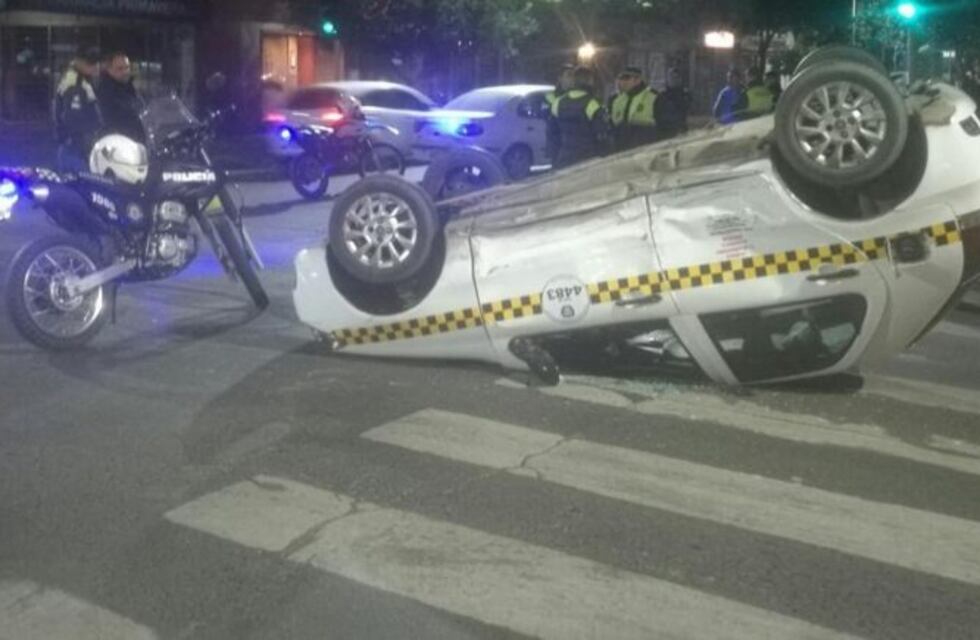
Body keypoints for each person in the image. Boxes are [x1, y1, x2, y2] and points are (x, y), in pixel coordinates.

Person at [54, 48, 102, 173]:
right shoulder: (76, 83)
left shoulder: (75, 78)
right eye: (90, 63)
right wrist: (87, 138)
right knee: (80, 179)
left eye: (95, 62)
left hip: (72, 144)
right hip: (76, 146)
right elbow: (72, 118)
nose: (95, 67)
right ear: (79, 62)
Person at [551, 66, 607, 168]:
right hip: (587, 157)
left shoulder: (558, 102)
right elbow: (601, 134)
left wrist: (554, 157)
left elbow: (552, 133)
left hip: (564, 156)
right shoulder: (592, 104)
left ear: (574, 81)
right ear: (589, 81)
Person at [97, 52, 145, 142]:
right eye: (120, 68)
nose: (125, 72)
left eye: (127, 67)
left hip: (134, 140)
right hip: (117, 142)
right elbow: (125, 112)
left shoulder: (128, 86)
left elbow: (142, 107)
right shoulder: (106, 90)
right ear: (109, 70)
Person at [608, 66, 657, 152]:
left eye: (627, 78)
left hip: (647, 150)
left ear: (637, 80)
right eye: (621, 78)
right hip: (622, 151)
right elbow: (612, 126)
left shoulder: (653, 97)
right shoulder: (616, 101)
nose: (622, 82)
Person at [544, 64, 575, 165]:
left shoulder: (576, 97)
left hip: (573, 145)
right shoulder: (551, 97)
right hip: (557, 144)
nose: (572, 79)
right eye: (569, 75)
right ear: (560, 78)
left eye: (573, 76)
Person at [655, 67, 691, 141]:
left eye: (677, 77)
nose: (674, 80)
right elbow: (656, 112)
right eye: (671, 77)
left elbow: (688, 108)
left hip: (680, 128)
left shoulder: (685, 94)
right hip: (664, 129)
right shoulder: (662, 94)